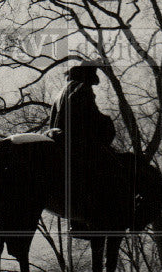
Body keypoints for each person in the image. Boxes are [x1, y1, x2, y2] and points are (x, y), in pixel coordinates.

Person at [48, 63, 115, 219]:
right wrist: (106, 122)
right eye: (91, 80)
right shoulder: (82, 89)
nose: (92, 85)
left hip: (58, 137)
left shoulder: (62, 91)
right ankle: (91, 207)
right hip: (74, 140)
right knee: (106, 167)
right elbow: (90, 114)